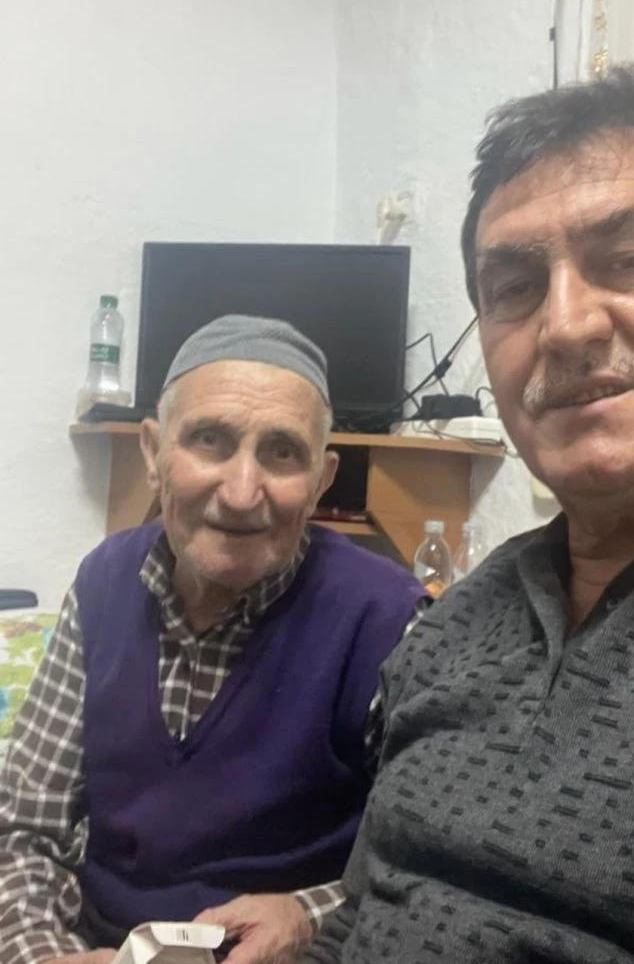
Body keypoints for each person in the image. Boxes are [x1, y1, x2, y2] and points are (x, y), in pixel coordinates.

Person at [301, 60, 634, 964]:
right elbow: (365, 914)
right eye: (516, 287)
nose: (565, 325)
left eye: (628, 261)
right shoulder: (448, 627)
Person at [0, 315, 426, 964]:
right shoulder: (103, 583)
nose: (242, 491)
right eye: (209, 440)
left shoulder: (389, 621)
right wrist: (43, 954)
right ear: (152, 453)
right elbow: (25, 829)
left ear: (321, 479)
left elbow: (427, 864)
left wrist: (308, 915)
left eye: (282, 452)